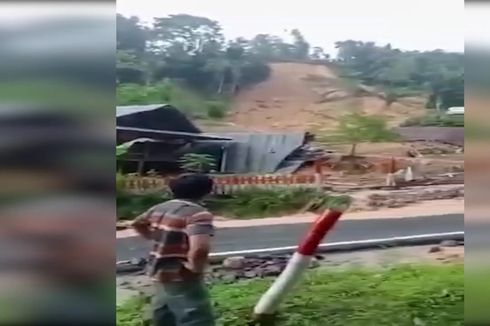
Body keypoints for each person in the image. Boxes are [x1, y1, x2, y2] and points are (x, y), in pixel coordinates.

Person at [131, 174, 215, 326]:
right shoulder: (198, 214)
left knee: (165, 314)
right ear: (207, 191)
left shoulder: (160, 208)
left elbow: (137, 223)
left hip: (157, 270)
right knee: (196, 317)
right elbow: (200, 249)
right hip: (181, 273)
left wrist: (156, 237)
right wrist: (194, 269)